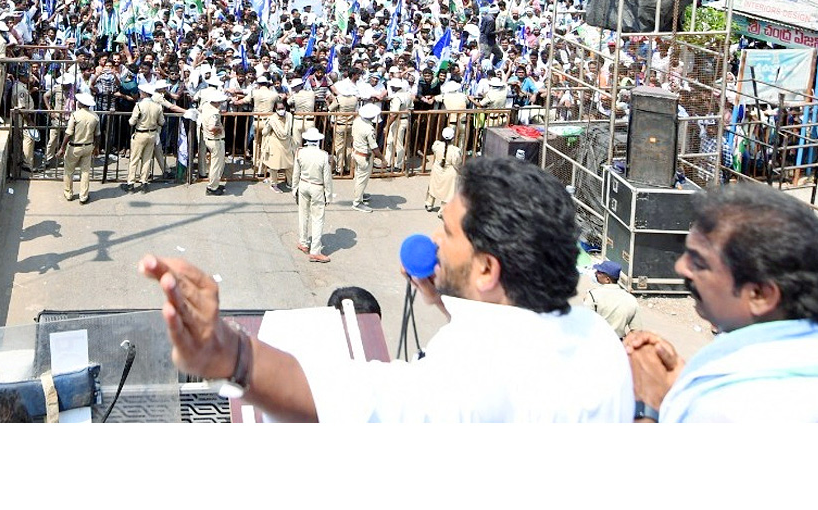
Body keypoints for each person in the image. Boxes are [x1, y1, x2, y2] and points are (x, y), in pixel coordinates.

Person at [140, 156, 633, 422]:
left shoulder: (469, 380)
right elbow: (505, 323)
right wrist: (448, 297)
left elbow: (343, 402)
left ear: (487, 269)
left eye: (447, 231)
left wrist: (225, 353)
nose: (433, 241)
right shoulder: (597, 340)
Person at [624, 182, 818, 423]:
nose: (680, 267)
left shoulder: (728, 409)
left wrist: (649, 405)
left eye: (699, 262)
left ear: (760, 295)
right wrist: (684, 384)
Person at [291, 127, 334, 263]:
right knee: (318, 218)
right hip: (317, 187)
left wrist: (294, 188)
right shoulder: (323, 155)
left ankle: (303, 242)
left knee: (303, 214)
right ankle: (315, 251)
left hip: (303, 184)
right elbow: (327, 178)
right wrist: (328, 194)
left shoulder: (300, 152)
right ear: (318, 141)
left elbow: (296, 173)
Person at [124, 81, 165, 194]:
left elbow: (132, 122)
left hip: (140, 133)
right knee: (147, 159)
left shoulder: (139, 105)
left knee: (134, 159)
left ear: (144, 93)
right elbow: (162, 121)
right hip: (152, 134)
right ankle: (144, 182)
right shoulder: (157, 106)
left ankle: (131, 184)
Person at [584, 259, 642, 339]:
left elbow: (585, 323)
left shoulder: (593, 295)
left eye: (599, 272)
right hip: (618, 345)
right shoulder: (631, 299)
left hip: (596, 343)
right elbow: (636, 331)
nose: (595, 273)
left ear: (607, 280)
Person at [59, 91, 99, 204]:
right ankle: (83, 196)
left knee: (69, 170)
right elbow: (98, 135)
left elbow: (68, 133)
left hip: (74, 146)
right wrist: (96, 147)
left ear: (80, 103)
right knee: (85, 171)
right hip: (88, 146)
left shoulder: (75, 115)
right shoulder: (95, 116)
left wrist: (62, 147)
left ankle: (68, 193)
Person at [350, 102, 381, 211]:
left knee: (358, 176)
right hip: (364, 156)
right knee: (362, 179)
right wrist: (382, 159)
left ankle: (359, 194)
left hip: (356, 152)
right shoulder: (369, 129)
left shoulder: (357, 121)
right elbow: (375, 148)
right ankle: (357, 202)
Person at [197, 86, 227, 195]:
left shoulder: (206, 106)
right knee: (216, 165)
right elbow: (212, 127)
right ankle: (212, 187)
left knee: (215, 164)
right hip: (215, 140)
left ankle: (214, 184)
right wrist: (219, 128)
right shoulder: (214, 113)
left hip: (208, 139)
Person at [424, 125, 462, 212]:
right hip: (449, 173)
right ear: (453, 138)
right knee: (448, 192)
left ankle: (429, 203)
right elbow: (457, 163)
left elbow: (434, 150)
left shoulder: (437, 145)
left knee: (433, 186)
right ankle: (443, 210)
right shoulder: (455, 151)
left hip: (437, 169)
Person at [260, 97, 295, 192]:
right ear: (275, 109)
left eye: (282, 108)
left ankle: (290, 182)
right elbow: (264, 132)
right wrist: (267, 126)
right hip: (275, 143)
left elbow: (288, 131)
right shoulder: (272, 119)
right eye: (279, 109)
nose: (281, 110)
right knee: (274, 166)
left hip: (286, 144)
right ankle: (273, 184)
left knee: (290, 164)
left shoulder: (289, 116)